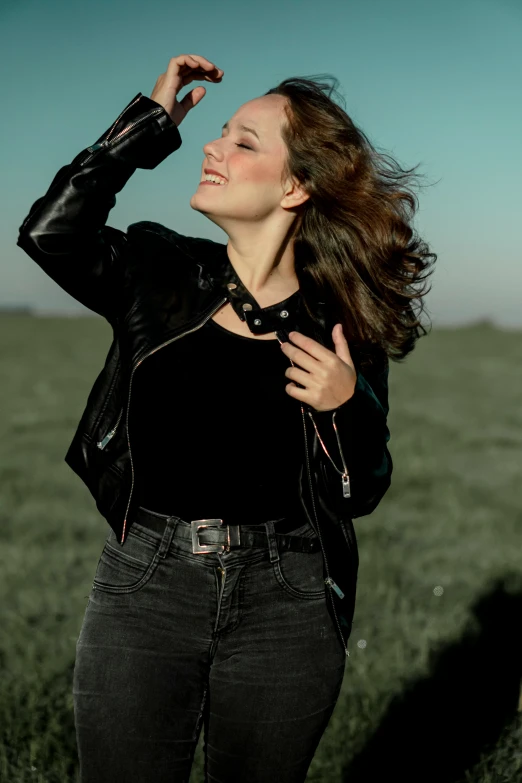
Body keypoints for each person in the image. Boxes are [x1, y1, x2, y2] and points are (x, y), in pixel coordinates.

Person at [17, 54, 435, 782]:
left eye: (244, 141)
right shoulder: (157, 267)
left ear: (296, 185)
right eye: (222, 133)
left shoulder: (342, 324)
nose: (211, 144)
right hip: (144, 585)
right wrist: (140, 133)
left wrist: (350, 407)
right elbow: (50, 236)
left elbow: (362, 489)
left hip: (291, 598)